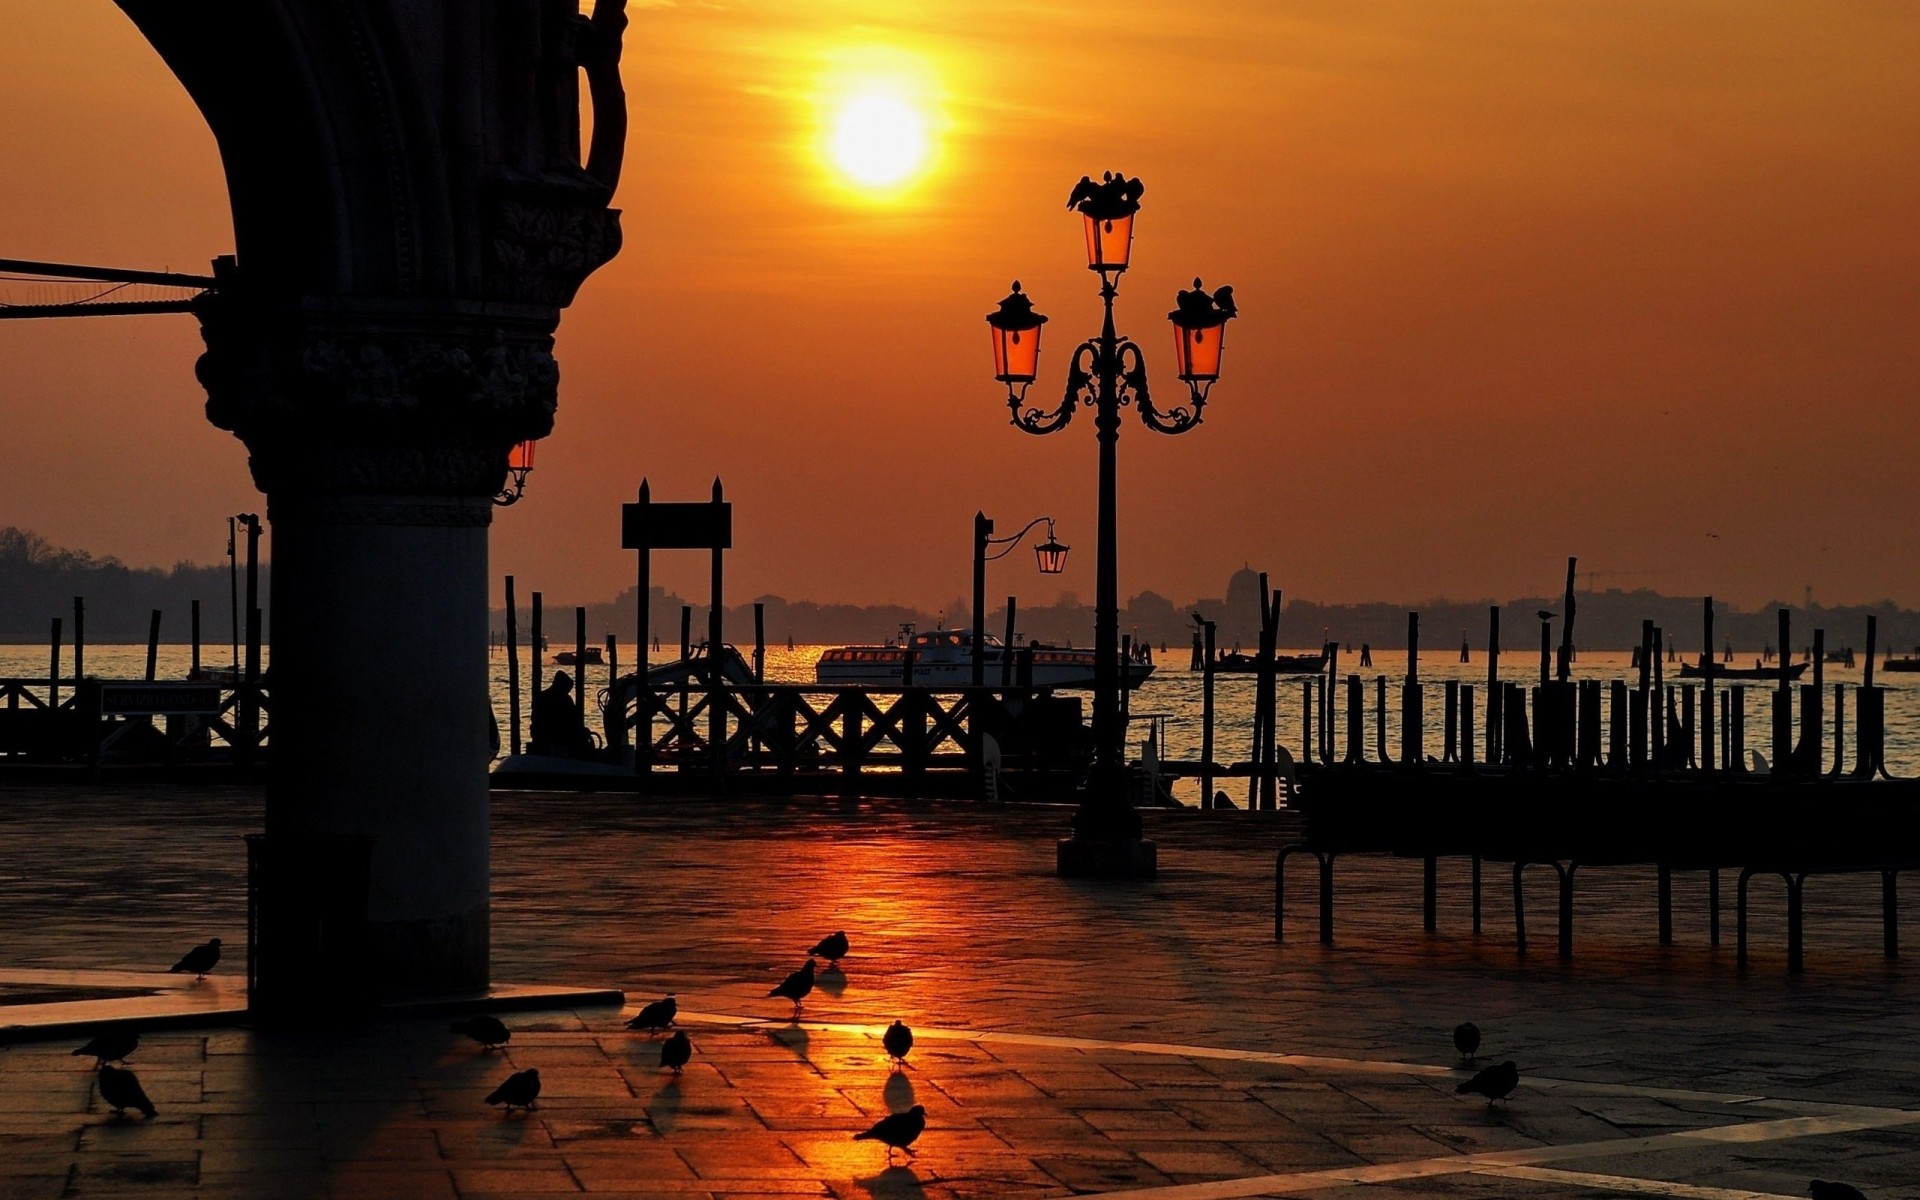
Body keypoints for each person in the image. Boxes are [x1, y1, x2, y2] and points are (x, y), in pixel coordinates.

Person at [529, 670, 596, 758]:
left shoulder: (542, 696)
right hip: (557, 738)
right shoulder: (564, 699)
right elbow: (571, 722)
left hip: (543, 736)